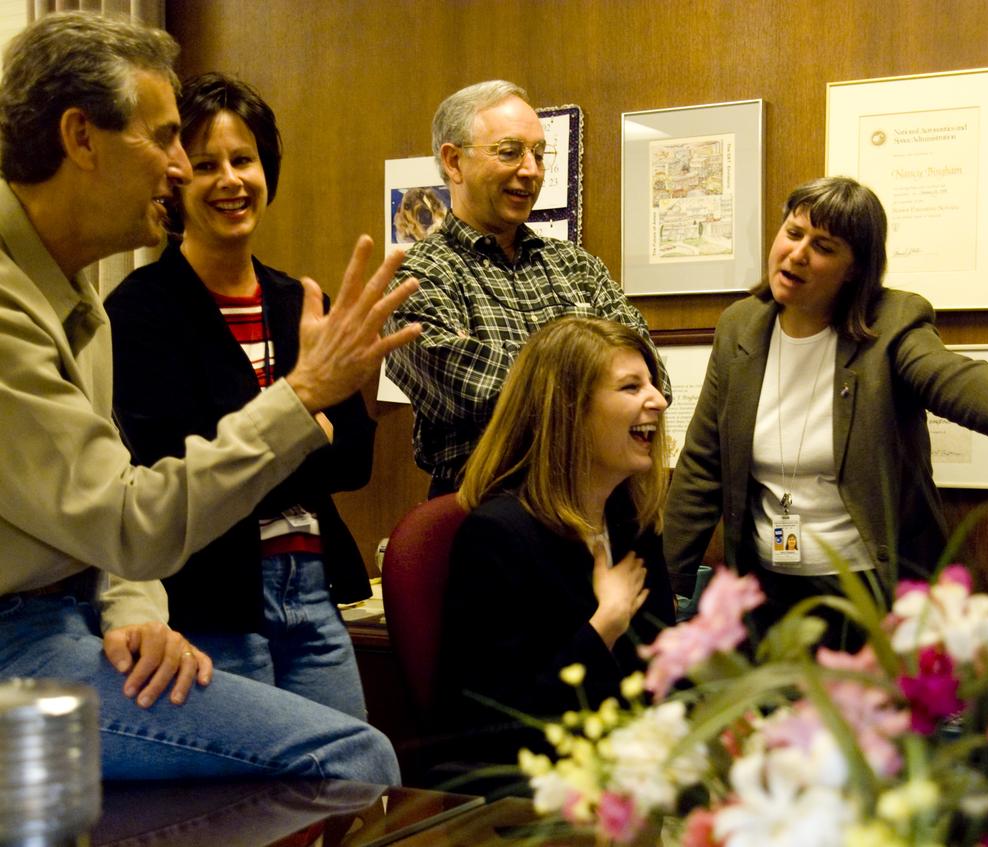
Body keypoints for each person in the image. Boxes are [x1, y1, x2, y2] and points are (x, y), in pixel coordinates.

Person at [0, 12, 420, 781]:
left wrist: (136, 612)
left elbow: (107, 513)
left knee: (347, 768)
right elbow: (136, 512)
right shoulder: (76, 306)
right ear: (80, 137)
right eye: (167, 140)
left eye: (240, 158)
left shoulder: (76, 297)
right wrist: (300, 400)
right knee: (350, 759)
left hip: (108, 606)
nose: (180, 170)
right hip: (36, 635)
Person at [664, 177, 988, 633]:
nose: (798, 253)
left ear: (854, 269)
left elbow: (951, 376)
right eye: (793, 232)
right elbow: (704, 463)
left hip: (872, 589)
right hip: (767, 588)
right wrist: (669, 583)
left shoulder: (890, 323)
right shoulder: (740, 327)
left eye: (824, 247)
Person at [105, 73, 373, 720]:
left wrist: (263, 442)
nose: (230, 179)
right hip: (209, 597)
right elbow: (172, 465)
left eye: (243, 159)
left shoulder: (299, 303)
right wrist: (305, 422)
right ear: (174, 181)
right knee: (248, 811)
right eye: (205, 165)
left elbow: (355, 457)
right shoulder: (139, 312)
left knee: (358, 787)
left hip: (312, 586)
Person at [382, 80, 667, 497]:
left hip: (600, 502)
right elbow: (470, 392)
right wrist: (605, 387)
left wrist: (527, 377)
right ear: (454, 161)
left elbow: (654, 380)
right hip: (487, 508)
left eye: (538, 153)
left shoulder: (577, 266)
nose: (531, 170)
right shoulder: (418, 274)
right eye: (510, 152)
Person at [436, 316, 675, 761]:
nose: (659, 401)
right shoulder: (498, 536)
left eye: (652, 385)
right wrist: (606, 623)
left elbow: (664, 670)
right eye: (631, 387)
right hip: (526, 798)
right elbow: (496, 727)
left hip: (631, 771)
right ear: (568, 409)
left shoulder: (632, 522)